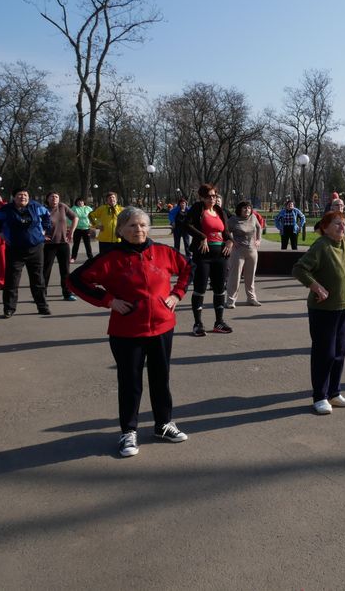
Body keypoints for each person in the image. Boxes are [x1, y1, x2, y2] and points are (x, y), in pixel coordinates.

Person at [68, 206, 192, 458]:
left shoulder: (163, 252)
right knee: (130, 383)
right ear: (121, 230)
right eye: (132, 226)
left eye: (143, 225)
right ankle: (128, 431)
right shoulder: (110, 257)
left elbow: (188, 268)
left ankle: (163, 424)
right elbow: (76, 280)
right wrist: (109, 301)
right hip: (127, 331)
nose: (139, 230)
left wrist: (177, 294)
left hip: (162, 327)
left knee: (161, 378)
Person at [292, 210, 345, 414]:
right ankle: (319, 396)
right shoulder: (321, 246)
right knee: (325, 353)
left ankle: (334, 393)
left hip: (342, 305)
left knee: (340, 352)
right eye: (337, 223)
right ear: (325, 227)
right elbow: (299, 269)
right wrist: (316, 287)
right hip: (322, 309)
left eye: (343, 223)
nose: (342, 227)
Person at [0, 189, 51, 317]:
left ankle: (42, 306)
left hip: (35, 248)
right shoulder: (7, 209)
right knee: (12, 280)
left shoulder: (36, 206)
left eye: (25, 195)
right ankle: (9, 309)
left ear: (28, 197)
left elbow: (47, 216)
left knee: (38, 279)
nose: (23, 197)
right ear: (14, 197)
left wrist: (44, 231)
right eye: (19, 195)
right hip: (15, 250)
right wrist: (0, 234)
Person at [185, 183, 234, 336]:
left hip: (220, 255)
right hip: (203, 255)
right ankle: (198, 324)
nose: (212, 199)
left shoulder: (219, 210)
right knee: (200, 288)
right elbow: (187, 225)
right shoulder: (198, 208)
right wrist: (202, 237)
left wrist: (230, 241)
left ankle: (219, 322)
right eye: (208, 197)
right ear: (202, 197)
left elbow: (225, 231)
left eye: (214, 196)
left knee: (220, 288)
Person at [226, 201, 262, 308]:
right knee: (235, 277)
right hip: (238, 251)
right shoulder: (233, 220)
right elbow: (225, 231)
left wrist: (259, 240)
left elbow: (259, 227)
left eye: (249, 208)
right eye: (245, 208)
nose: (247, 210)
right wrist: (232, 240)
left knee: (250, 277)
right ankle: (231, 300)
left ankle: (251, 298)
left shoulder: (253, 218)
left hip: (252, 251)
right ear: (240, 209)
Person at [43, 192, 78, 302]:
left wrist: (71, 232)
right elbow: (36, 223)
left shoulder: (62, 207)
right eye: (51, 196)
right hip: (49, 245)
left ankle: (67, 293)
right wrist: (41, 234)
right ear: (47, 199)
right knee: (45, 270)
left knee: (65, 270)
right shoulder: (43, 209)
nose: (54, 198)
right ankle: (42, 294)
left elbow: (75, 218)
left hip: (63, 244)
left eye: (56, 197)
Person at [70, 197, 94, 263]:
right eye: (79, 201)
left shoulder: (88, 208)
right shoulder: (74, 208)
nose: (80, 203)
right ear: (76, 202)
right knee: (76, 244)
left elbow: (93, 216)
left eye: (82, 201)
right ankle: (73, 258)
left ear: (84, 202)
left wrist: (92, 224)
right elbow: (69, 217)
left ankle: (90, 257)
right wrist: (71, 225)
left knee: (87, 244)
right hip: (77, 229)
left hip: (86, 229)